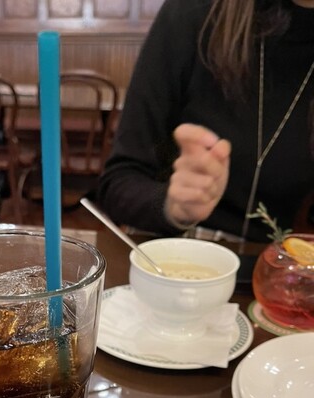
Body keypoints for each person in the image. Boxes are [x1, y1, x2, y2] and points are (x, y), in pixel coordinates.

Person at [97, 0, 314, 242]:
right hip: (169, 248)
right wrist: (173, 205)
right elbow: (117, 184)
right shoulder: (193, 12)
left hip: (276, 260)